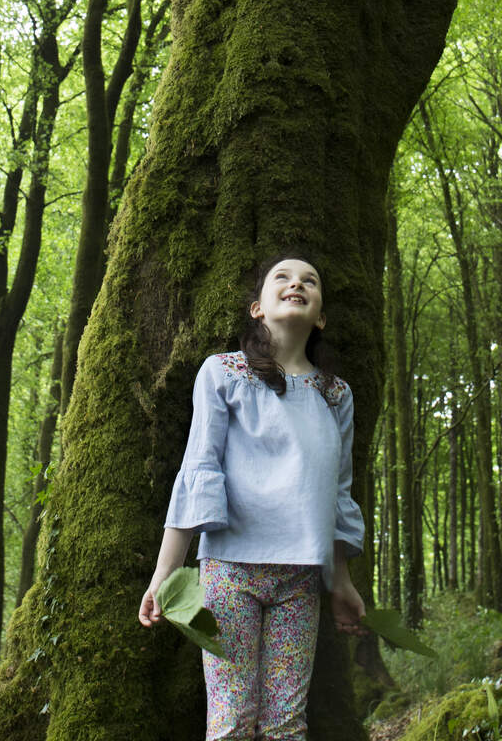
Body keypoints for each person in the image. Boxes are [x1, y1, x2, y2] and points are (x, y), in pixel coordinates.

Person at [138, 252, 368, 740]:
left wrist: (341, 582)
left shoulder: (336, 395)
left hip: (300, 581)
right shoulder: (222, 373)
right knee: (231, 719)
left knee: (286, 723)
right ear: (257, 308)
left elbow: (339, 498)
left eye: (310, 280)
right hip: (230, 573)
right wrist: (164, 575)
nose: (296, 284)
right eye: (281, 277)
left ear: (320, 315)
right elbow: (198, 471)